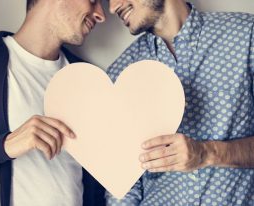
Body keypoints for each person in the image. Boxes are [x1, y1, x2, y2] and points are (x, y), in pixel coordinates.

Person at [0, 0, 106, 206]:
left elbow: (98, 179)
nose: (101, 15)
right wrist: (5, 145)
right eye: (93, 1)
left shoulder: (89, 79)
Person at [106, 0, 254, 205]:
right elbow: (121, 184)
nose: (113, 7)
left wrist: (207, 153)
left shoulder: (246, 35)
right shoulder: (119, 74)